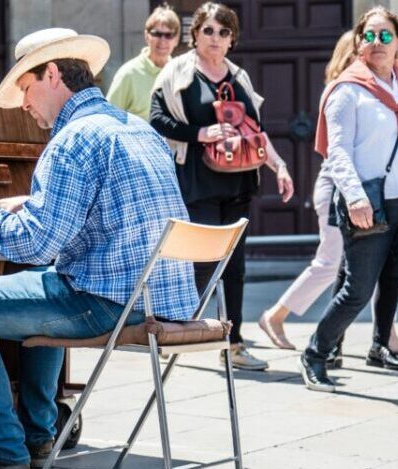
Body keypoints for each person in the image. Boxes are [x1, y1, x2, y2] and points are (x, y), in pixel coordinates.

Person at [0, 28, 197, 469]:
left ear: (52, 74)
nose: (24, 104)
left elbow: (36, 243)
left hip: (112, 304)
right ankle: (39, 435)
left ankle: (4, 451)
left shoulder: (73, 139)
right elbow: (108, 208)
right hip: (164, 300)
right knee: (44, 280)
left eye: (25, 88)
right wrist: (32, 202)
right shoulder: (138, 129)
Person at [299, 6, 398, 400]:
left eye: (385, 35)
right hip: (371, 205)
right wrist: (355, 197)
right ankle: (315, 353)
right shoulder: (347, 91)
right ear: (359, 43)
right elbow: (337, 152)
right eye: (369, 36)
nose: (377, 42)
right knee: (357, 292)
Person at [150, 1, 294, 371]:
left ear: (232, 39)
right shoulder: (177, 72)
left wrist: (279, 166)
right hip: (198, 181)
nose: (215, 38)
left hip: (239, 182)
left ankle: (234, 343)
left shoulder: (239, 77)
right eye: (208, 30)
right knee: (200, 260)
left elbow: (257, 132)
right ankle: (175, 330)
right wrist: (200, 133)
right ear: (195, 34)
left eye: (224, 31)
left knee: (234, 265)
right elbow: (157, 119)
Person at [256, 31, 398, 374]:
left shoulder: (377, 87)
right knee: (330, 263)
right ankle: (277, 315)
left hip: (361, 191)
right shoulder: (346, 89)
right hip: (337, 190)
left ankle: (384, 334)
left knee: (371, 264)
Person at [105, 4, 179, 118]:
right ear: (146, 36)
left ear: (176, 39)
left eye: (169, 35)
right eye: (156, 34)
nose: (162, 40)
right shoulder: (128, 74)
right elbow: (108, 116)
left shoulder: (180, 74)